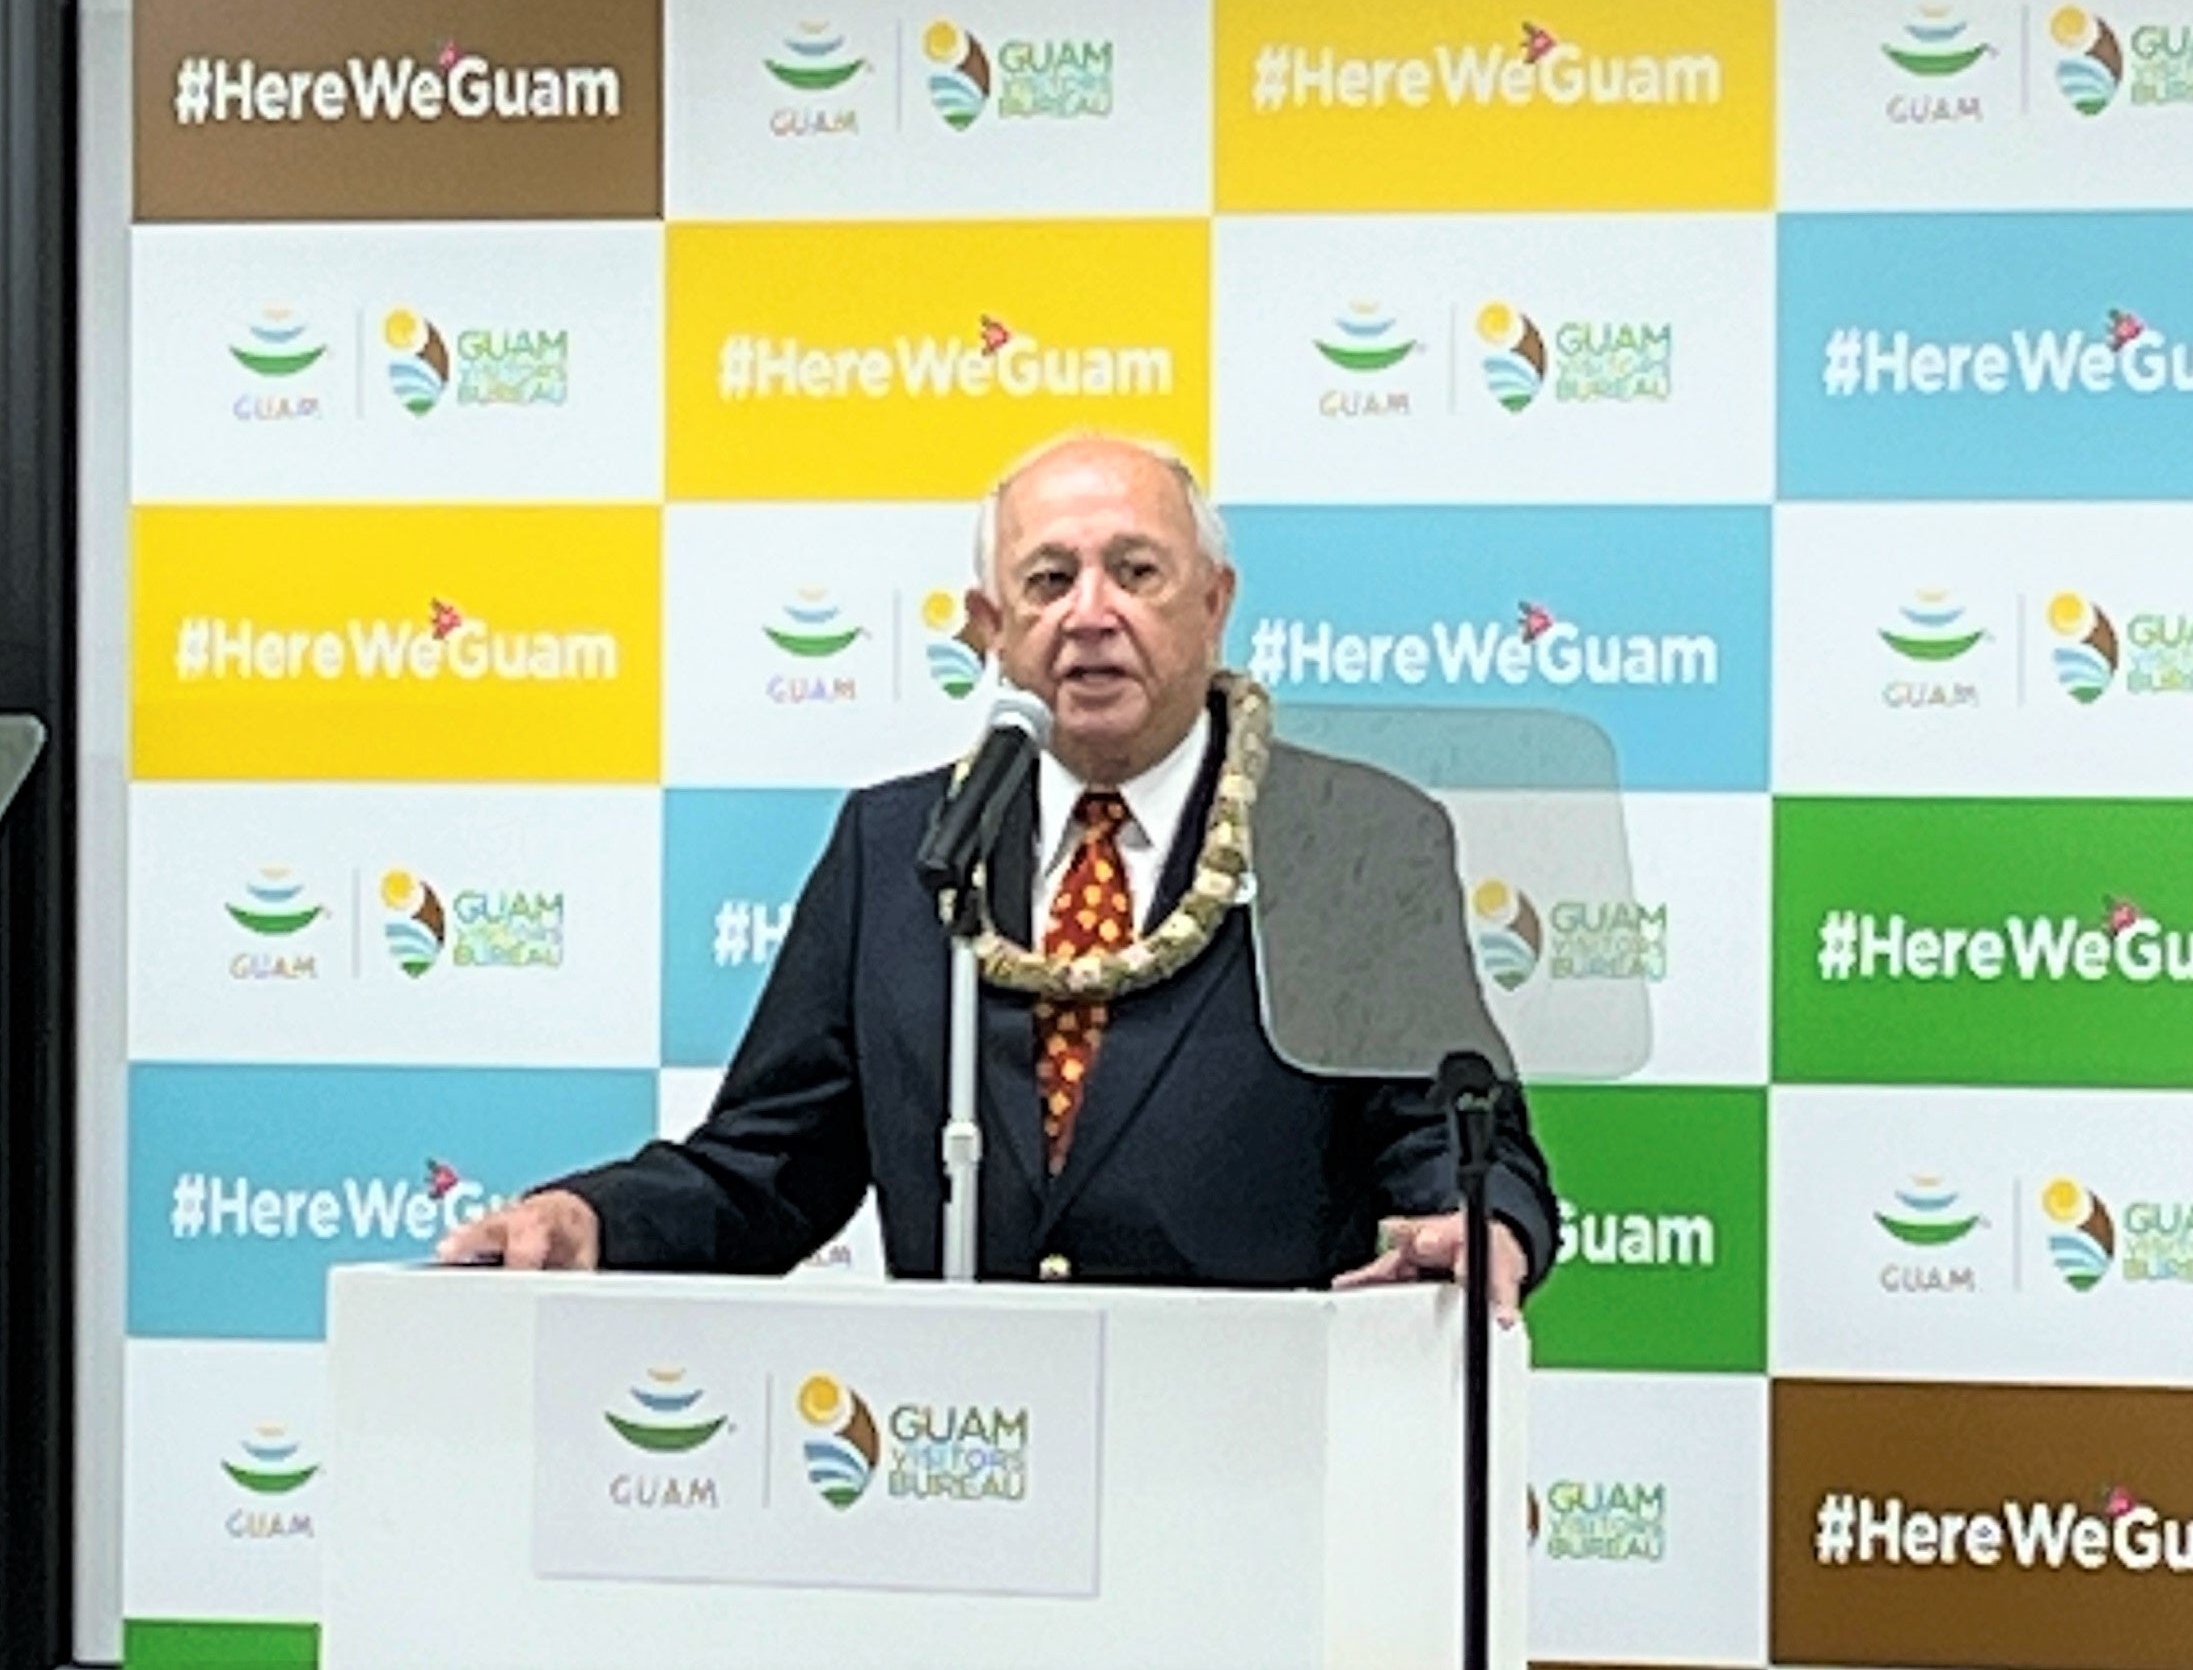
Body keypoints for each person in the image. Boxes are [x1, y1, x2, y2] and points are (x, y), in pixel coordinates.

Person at [439, 435, 1557, 1321]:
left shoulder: (1347, 837)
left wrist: (1482, 1219)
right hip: (964, 1454)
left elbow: (1453, 1138)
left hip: (1253, 1450)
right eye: (1048, 579)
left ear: (1213, 604)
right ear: (990, 627)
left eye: (1136, 572)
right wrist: (597, 1220)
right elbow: (770, 1166)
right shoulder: (898, 847)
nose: (1090, 614)